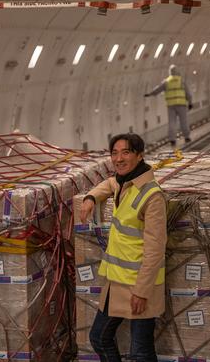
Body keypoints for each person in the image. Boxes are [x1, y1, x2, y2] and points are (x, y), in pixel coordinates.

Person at [80, 133, 167, 362]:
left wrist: (141, 290)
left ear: (139, 156)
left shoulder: (151, 195)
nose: (118, 158)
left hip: (139, 285)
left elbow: (155, 250)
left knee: (141, 352)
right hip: (117, 281)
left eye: (125, 152)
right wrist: (90, 197)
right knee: (99, 338)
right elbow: (108, 183)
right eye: (114, 153)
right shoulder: (122, 182)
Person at [145, 64, 194, 148]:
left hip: (171, 105)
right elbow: (188, 93)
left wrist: (150, 94)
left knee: (172, 123)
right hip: (181, 104)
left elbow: (158, 89)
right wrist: (190, 102)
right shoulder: (181, 80)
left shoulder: (167, 81)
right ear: (177, 71)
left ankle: (172, 139)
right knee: (184, 122)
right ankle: (186, 137)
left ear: (170, 72)